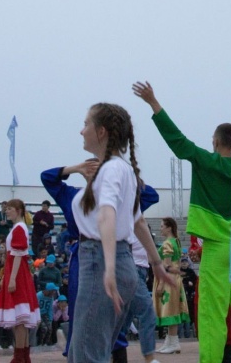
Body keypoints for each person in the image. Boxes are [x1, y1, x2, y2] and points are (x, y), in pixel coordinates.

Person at [132, 81, 231, 363]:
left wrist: (154, 103)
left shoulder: (205, 161)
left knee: (211, 315)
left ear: (216, 142)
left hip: (216, 249)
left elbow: (177, 141)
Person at [68, 102, 172, 363]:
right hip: (116, 261)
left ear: (101, 131)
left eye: (86, 124)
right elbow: (137, 221)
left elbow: (108, 214)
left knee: (87, 355)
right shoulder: (121, 168)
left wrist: (109, 268)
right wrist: (156, 263)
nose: (81, 131)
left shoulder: (111, 169)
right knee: (88, 351)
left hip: (100, 260)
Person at [0, 199, 41, 363]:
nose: (7, 211)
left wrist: (11, 279)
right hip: (16, 272)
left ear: (18, 210)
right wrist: (6, 277)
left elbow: (18, 255)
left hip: (18, 274)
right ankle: (23, 356)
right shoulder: (18, 227)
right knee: (21, 319)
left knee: (19, 319)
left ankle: (19, 357)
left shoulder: (19, 228)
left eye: (10, 209)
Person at [153, 217, 190, 354]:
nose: (160, 229)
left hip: (168, 279)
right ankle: (170, 342)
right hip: (175, 278)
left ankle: (173, 342)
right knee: (172, 308)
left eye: (162, 226)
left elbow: (167, 266)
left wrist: (161, 283)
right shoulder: (176, 241)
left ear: (169, 228)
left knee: (170, 310)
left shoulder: (168, 243)